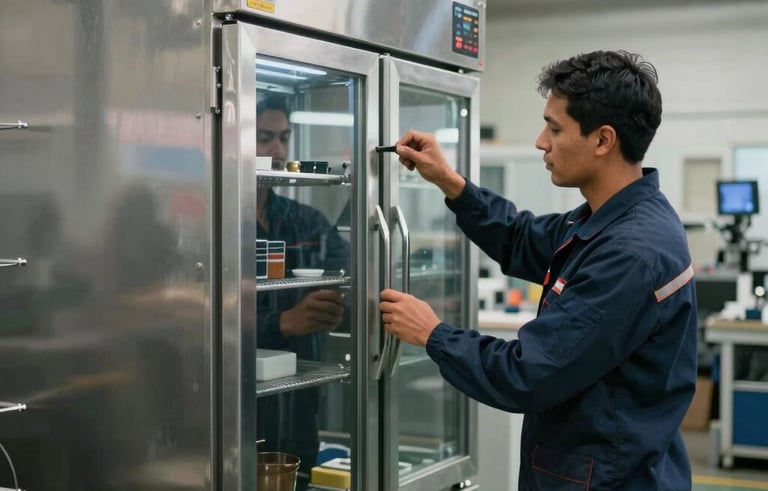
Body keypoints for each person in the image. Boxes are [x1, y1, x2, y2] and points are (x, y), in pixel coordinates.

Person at [379, 50, 698, 490]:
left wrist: (434, 334)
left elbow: (528, 373)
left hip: (607, 479)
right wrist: (450, 183)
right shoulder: (611, 219)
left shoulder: (630, 253)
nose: (540, 142)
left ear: (603, 140)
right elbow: (521, 237)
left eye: (555, 128)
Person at [251, 95, 350, 490]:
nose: (277, 150)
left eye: (284, 138)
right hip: (238, 405)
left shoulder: (306, 221)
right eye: (263, 138)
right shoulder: (215, 228)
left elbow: (351, 277)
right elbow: (204, 320)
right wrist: (283, 322)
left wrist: (344, 304)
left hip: (301, 399)